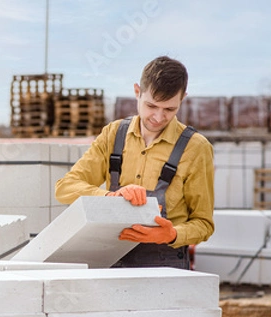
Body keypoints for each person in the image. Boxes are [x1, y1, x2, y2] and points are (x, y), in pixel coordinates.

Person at [55, 56, 214, 269]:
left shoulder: (196, 148)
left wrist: (172, 233)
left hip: (165, 268)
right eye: (151, 105)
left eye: (169, 109)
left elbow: (204, 223)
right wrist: (111, 198)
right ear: (137, 91)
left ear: (182, 99)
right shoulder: (113, 135)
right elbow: (65, 188)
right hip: (110, 262)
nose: (158, 117)